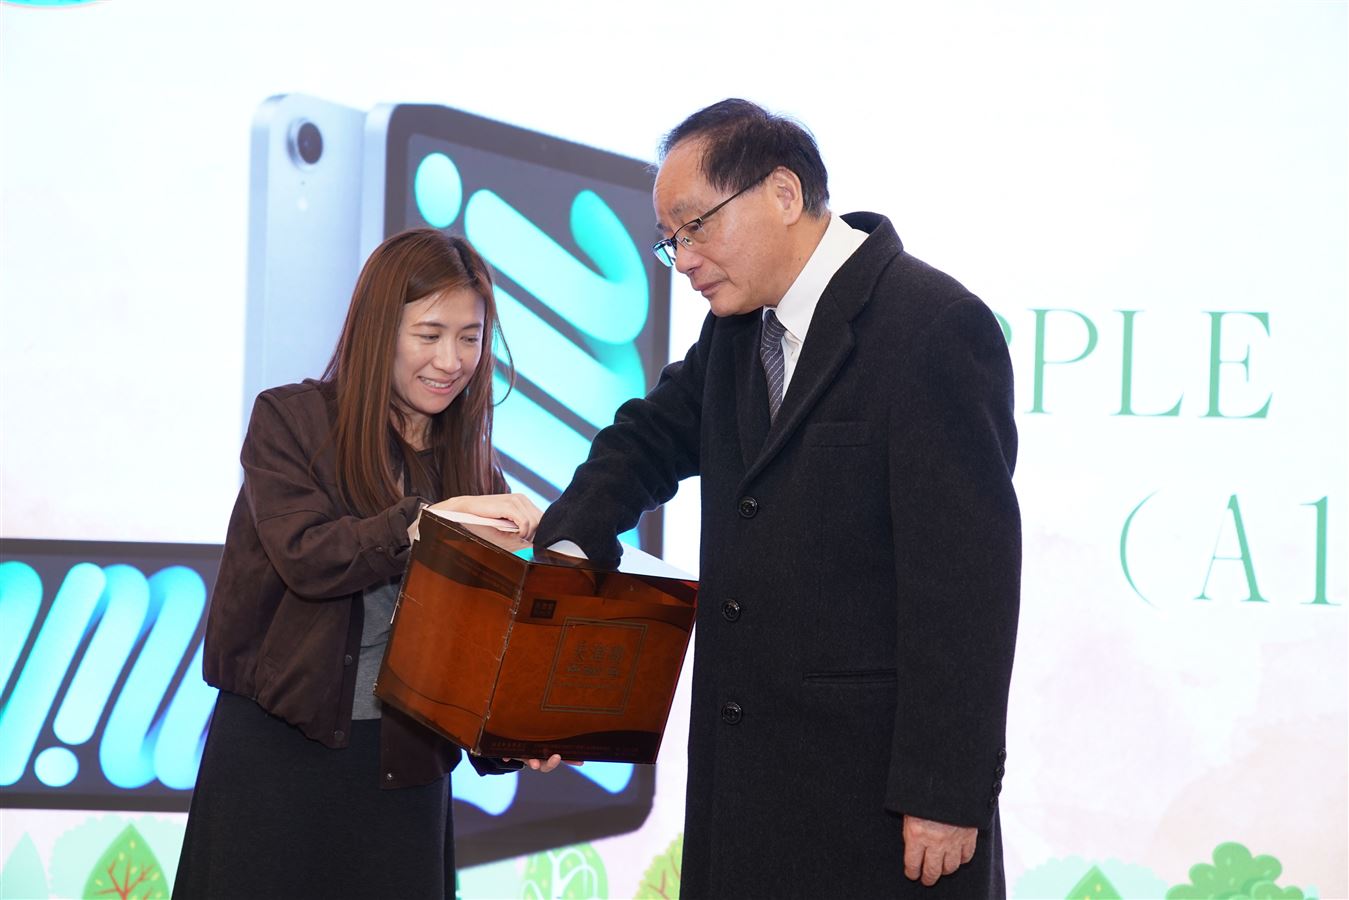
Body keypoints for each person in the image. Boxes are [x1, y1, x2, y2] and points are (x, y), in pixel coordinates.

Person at [535, 100, 1021, 898]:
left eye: (694, 226)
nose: (682, 258)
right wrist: (567, 550)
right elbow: (645, 440)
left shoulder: (932, 327)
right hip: (745, 796)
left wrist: (944, 790)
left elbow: (967, 588)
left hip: (876, 806)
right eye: (668, 239)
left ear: (783, 194)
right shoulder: (737, 331)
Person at [175, 228, 559, 900]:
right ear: (380, 330)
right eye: (429, 334)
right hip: (276, 764)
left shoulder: (474, 467)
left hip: (402, 775)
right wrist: (424, 523)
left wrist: (516, 735)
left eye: (470, 338)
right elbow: (307, 557)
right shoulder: (291, 421)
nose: (451, 360)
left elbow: (479, 644)